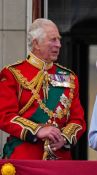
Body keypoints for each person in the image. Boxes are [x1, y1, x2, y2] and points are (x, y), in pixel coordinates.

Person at [0, 18, 86, 160]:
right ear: (36, 43)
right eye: (53, 40)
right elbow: (5, 115)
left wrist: (64, 138)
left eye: (59, 40)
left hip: (60, 159)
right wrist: (38, 130)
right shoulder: (12, 74)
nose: (58, 45)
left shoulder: (70, 77)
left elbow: (78, 120)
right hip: (24, 157)